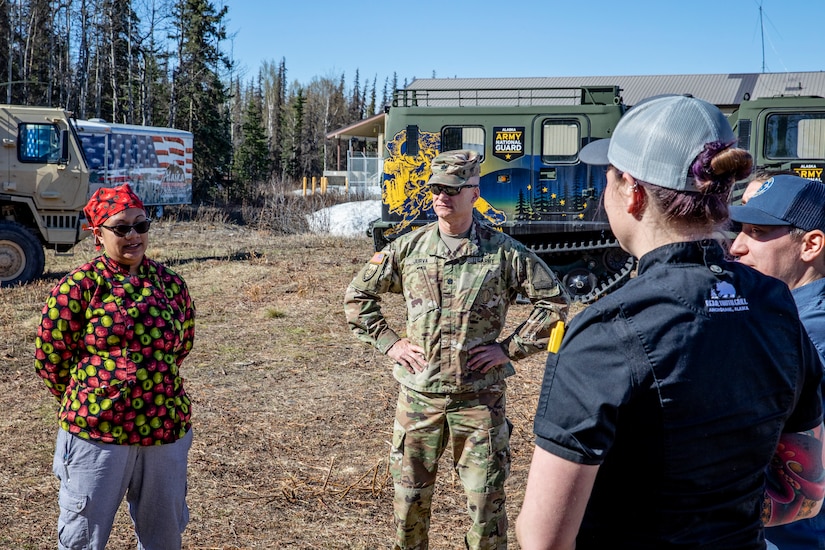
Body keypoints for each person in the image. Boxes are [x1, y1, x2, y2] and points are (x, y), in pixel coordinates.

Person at [515, 95, 825, 550]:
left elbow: (543, 539)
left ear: (632, 192)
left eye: (609, 177)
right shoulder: (777, 305)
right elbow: (806, 495)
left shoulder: (606, 331)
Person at [344, 149, 567, 550]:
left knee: (486, 508)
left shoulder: (503, 253)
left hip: (479, 402)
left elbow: (555, 303)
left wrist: (510, 348)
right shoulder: (408, 249)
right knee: (409, 507)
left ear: (474, 193)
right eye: (435, 189)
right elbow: (358, 296)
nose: (441, 197)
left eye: (451, 189)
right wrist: (391, 344)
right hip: (419, 400)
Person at [34, 183, 196, 550]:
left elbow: (181, 344)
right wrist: (96, 395)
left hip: (164, 427)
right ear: (98, 233)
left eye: (141, 225)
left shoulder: (170, 284)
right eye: (121, 228)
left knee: (164, 536)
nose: (134, 235)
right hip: (97, 433)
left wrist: (147, 382)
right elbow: (50, 357)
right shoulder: (78, 287)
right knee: (83, 539)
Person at [730, 174, 825, 549]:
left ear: (810, 244)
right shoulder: (783, 318)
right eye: (739, 229)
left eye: (757, 231)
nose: (736, 246)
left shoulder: (806, 333)